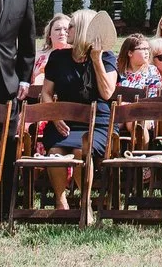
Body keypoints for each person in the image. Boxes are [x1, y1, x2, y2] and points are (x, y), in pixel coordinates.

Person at [36, 13, 115, 211]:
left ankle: (85, 200)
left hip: (96, 123)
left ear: (82, 30)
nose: (65, 31)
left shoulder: (106, 57)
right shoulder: (58, 57)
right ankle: (60, 200)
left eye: (70, 27)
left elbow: (107, 93)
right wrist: (55, 116)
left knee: (81, 150)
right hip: (64, 122)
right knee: (55, 152)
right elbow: (46, 93)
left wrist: (96, 60)